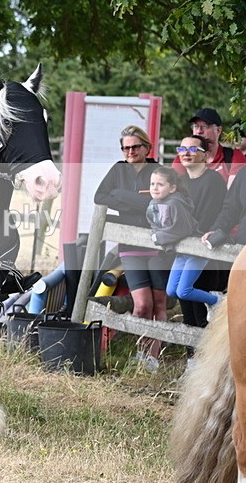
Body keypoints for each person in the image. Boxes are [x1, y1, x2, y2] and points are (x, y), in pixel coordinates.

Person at [94, 125, 166, 372]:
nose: (131, 151)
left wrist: (122, 196)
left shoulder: (159, 170)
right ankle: (139, 353)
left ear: (147, 147)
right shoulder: (118, 169)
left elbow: (158, 203)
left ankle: (153, 357)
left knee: (158, 303)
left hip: (158, 247)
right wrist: (137, 201)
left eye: (136, 146)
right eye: (126, 147)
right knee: (142, 304)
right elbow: (99, 196)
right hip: (130, 245)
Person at [146, 166, 223, 328]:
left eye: (160, 184)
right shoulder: (154, 204)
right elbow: (156, 224)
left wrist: (158, 237)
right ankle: (211, 301)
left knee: (183, 291)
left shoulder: (175, 203)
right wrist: (159, 235)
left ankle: (217, 300)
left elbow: (181, 229)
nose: (154, 187)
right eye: (152, 184)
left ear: (172, 188)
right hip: (181, 252)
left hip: (195, 250)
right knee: (171, 291)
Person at [174, 136, 227, 353]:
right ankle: (190, 360)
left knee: (201, 315)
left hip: (204, 253)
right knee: (185, 306)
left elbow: (206, 218)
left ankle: (205, 362)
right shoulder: (179, 183)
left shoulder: (213, 181)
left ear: (205, 154)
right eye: (182, 148)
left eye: (192, 148)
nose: (186, 152)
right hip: (183, 250)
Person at [171, 107, 246, 186]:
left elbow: (234, 193)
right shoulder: (183, 159)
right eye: (196, 126)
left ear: (218, 130)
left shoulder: (234, 156)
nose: (199, 131)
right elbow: (174, 189)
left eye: (204, 126)